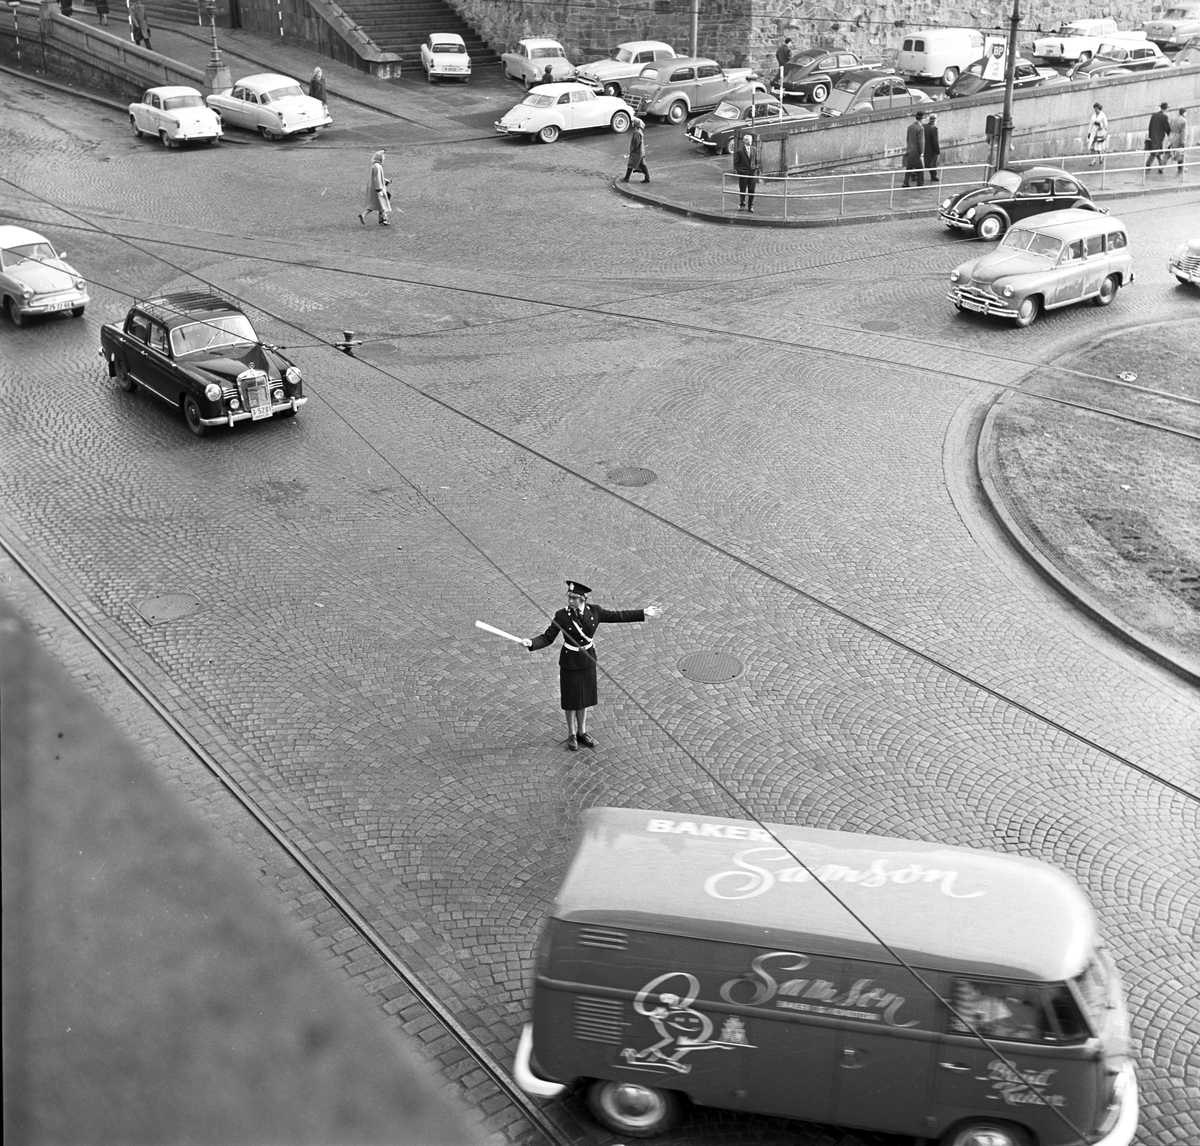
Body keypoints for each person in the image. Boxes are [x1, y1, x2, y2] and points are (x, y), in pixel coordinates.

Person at [524, 581, 660, 752]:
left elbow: (618, 616)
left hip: (587, 660)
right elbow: (547, 637)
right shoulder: (562, 616)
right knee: (571, 699)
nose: (570, 601)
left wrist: (643, 612)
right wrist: (531, 643)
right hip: (570, 662)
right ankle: (572, 734)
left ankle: (582, 731)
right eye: (569, 597)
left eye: (574, 598)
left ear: (583, 598)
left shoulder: (595, 611)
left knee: (584, 698)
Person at [358, 150, 391, 226]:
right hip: (377, 189)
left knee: (378, 204)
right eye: (383, 156)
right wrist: (379, 190)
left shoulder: (375, 165)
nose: (384, 158)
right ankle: (383, 219)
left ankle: (381, 218)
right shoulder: (377, 167)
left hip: (375, 188)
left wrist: (386, 180)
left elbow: (379, 177)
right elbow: (377, 179)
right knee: (382, 203)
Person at [733, 131, 759, 212]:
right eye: (749, 140)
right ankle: (742, 204)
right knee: (743, 189)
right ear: (745, 141)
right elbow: (736, 163)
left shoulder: (754, 149)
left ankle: (750, 205)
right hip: (743, 173)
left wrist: (756, 167)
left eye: (751, 140)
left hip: (752, 173)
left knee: (752, 190)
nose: (751, 142)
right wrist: (740, 171)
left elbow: (757, 160)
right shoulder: (740, 151)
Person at [1145, 101, 1171, 172]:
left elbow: (1150, 125)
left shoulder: (1154, 115)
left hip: (1153, 135)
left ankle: (1160, 163)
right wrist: (1170, 136)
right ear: (1166, 109)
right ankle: (1148, 164)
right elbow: (1167, 128)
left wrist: (1150, 135)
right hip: (1159, 137)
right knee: (1155, 151)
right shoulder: (1165, 117)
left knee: (1157, 150)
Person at [902, 110, 926, 187]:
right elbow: (921, 141)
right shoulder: (920, 128)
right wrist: (921, 152)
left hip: (910, 150)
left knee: (909, 167)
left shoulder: (910, 127)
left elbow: (907, 138)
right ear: (922, 119)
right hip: (916, 151)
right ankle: (920, 182)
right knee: (920, 168)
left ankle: (905, 182)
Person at [622, 117, 649, 183]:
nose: (632, 123)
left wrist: (632, 151)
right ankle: (647, 178)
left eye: (633, 122)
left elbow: (635, 143)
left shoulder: (636, 132)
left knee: (630, 164)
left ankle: (626, 178)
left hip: (637, 152)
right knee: (643, 165)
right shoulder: (639, 131)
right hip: (641, 151)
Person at [1167, 107, 1187, 175]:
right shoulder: (1184, 121)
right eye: (1186, 112)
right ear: (1183, 113)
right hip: (1178, 138)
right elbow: (1183, 133)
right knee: (1180, 153)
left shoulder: (1173, 118)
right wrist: (1183, 143)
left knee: (1168, 153)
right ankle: (1180, 168)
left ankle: (1161, 167)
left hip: (1172, 136)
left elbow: (1170, 127)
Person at [923, 112, 941, 183]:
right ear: (935, 120)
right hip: (931, 149)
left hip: (924, 148)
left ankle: (915, 174)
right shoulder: (934, 128)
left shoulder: (924, 126)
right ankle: (934, 176)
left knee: (924, 162)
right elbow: (935, 141)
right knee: (932, 163)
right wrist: (937, 151)